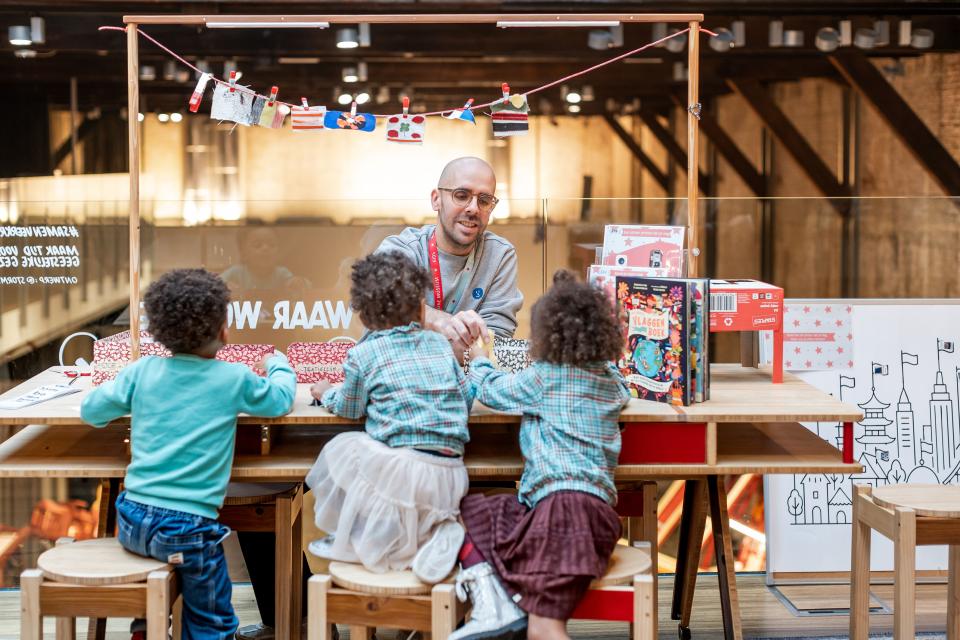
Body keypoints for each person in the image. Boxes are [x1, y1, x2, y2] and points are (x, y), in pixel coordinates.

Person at [80, 268, 297, 640]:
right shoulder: (232, 378)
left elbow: (91, 411)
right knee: (212, 619)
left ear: (160, 330)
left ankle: (146, 624)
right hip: (187, 530)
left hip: (132, 520)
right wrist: (278, 364)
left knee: (169, 568)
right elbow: (279, 401)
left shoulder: (142, 371)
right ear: (223, 331)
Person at [448, 270, 630, 640]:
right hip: (595, 519)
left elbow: (491, 390)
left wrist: (480, 357)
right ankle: (506, 602)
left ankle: (500, 602)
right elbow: (622, 384)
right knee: (476, 511)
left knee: (544, 628)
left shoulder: (544, 378)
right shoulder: (612, 384)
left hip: (560, 514)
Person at [306, 251, 473, 581]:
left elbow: (350, 408)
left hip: (405, 472)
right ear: (422, 308)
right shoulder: (440, 345)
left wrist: (326, 393)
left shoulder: (363, 354)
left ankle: (358, 540)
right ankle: (436, 533)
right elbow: (465, 398)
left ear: (363, 317)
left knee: (344, 448)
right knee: (392, 468)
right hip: (452, 476)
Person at [377, 156, 523, 361]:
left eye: (484, 200)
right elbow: (381, 309)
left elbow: (495, 340)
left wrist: (417, 332)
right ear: (436, 199)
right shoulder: (401, 250)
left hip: (466, 386)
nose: (473, 208)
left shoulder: (499, 255)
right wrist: (438, 320)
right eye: (461, 195)